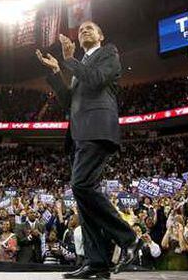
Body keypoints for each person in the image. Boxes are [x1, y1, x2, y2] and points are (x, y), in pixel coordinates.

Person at [36, 21, 140, 279]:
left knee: (80, 185)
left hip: (97, 129)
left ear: (101, 36)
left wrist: (69, 60)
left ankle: (129, 239)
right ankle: (97, 263)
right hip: (79, 134)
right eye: (81, 29)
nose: (83, 31)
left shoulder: (108, 53)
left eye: (90, 28)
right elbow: (68, 102)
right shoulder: (77, 67)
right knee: (84, 199)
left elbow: (95, 80)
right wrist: (58, 70)